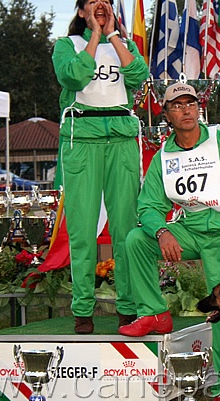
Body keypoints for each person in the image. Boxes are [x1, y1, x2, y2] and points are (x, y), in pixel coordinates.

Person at [122, 82, 220, 401]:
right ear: (167, 114)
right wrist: (160, 231)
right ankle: (155, 311)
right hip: (190, 227)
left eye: (191, 103)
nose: (186, 110)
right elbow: (148, 206)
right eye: (177, 105)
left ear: (199, 109)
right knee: (135, 240)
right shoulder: (164, 155)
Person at [52, 0, 150, 334]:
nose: (101, 7)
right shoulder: (68, 45)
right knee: (82, 229)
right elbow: (74, 77)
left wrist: (113, 37)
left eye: (106, 2)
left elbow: (139, 74)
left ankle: (127, 306)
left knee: (125, 228)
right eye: (93, 3)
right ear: (81, 12)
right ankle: (82, 308)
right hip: (82, 141)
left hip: (121, 140)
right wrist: (94, 36)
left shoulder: (125, 44)